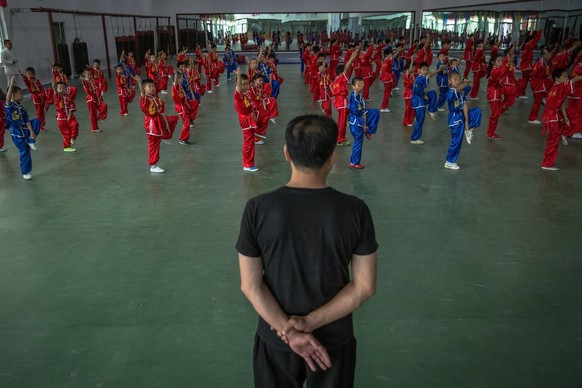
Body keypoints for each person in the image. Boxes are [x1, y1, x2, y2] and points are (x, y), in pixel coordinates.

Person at [236, 114, 378, 388]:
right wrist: (310, 323)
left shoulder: (258, 209)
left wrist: (288, 331)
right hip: (333, 340)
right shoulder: (355, 210)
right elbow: (364, 286)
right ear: (333, 156)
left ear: (286, 152)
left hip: (275, 338)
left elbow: (250, 285)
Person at [134, 75, 178, 173]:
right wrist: (140, 83)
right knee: (153, 144)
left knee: (172, 119)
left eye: (153, 86)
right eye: (149, 87)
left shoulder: (155, 98)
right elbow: (142, 93)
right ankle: (153, 166)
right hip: (151, 123)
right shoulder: (145, 99)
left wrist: (166, 123)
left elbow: (161, 112)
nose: (152, 88)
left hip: (158, 119)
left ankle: (163, 136)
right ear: (144, 89)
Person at [540, 68, 582, 171]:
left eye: (567, 76)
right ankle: (547, 164)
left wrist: (566, 117)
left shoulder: (557, 87)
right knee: (552, 142)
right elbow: (575, 79)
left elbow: (561, 102)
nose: (566, 78)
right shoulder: (560, 87)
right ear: (557, 78)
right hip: (552, 117)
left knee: (553, 140)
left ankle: (560, 134)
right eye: (564, 77)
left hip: (553, 116)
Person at [4, 75, 41, 180]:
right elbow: (7, 99)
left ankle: (31, 141)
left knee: (36, 121)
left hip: (25, 130)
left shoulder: (21, 108)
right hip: (17, 133)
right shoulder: (10, 107)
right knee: (24, 152)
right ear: (13, 95)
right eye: (20, 94)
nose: (22, 95)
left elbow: (28, 121)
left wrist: (33, 134)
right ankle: (25, 172)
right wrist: (11, 85)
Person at [444, 72, 482, 170]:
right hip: (455, 119)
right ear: (449, 81)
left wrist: (467, 123)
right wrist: (464, 83)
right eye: (455, 79)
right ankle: (449, 161)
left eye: (459, 79)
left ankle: (469, 131)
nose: (457, 81)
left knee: (477, 112)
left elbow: (465, 105)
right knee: (456, 141)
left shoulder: (461, 93)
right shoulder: (450, 93)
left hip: (462, 115)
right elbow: (458, 89)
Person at [348, 77, 380, 169]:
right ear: (353, 87)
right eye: (358, 85)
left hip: (361, 120)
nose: (361, 86)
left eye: (362, 84)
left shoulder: (361, 98)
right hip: (355, 122)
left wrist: (365, 125)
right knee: (358, 142)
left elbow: (365, 112)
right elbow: (355, 96)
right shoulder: (353, 95)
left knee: (375, 112)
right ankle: (354, 162)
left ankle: (369, 131)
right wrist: (363, 124)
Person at [330, 47, 359, 146]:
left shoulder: (335, 80)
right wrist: (351, 58)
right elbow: (346, 68)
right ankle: (340, 139)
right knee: (342, 122)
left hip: (339, 101)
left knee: (344, 118)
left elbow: (331, 88)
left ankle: (341, 135)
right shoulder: (342, 78)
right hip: (342, 102)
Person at [233, 67, 258, 172]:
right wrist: (238, 76)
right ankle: (247, 165)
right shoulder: (238, 96)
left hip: (249, 117)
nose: (246, 86)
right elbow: (238, 87)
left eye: (247, 84)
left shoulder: (246, 93)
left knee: (251, 141)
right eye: (243, 85)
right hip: (245, 120)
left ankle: (250, 163)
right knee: (248, 142)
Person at [410, 62, 442, 144]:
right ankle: (414, 139)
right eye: (423, 70)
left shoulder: (421, 78)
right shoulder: (420, 78)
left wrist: (424, 94)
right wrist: (439, 70)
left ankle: (431, 110)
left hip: (420, 97)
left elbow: (419, 89)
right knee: (420, 120)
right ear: (419, 70)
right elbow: (430, 75)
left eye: (427, 70)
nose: (425, 71)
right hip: (418, 101)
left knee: (432, 93)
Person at [53, 81, 79, 152]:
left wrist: (70, 115)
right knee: (66, 133)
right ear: (57, 89)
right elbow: (56, 95)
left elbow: (71, 106)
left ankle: (73, 137)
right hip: (61, 118)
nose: (62, 90)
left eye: (63, 88)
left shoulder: (68, 97)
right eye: (60, 88)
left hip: (70, 116)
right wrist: (54, 89)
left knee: (75, 124)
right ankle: (66, 147)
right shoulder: (57, 97)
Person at [81, 68, 108, 132]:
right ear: (85, 76)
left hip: (97, 98)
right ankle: (94, 128)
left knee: (104, 106)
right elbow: (87, 90)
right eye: (88, 74)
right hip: (91, 99)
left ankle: (100, 117)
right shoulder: (85, 82)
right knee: (93, 114)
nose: (90, 75)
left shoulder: (93, 81)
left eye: (90, 74)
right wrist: (83, 80)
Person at [21, 67, 48, 131]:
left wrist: (43, 95)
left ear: (34, 74)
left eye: (30, 74)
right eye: (28, 74)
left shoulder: (37, 81)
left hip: (41, 97)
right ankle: (39, 126)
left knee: (42, 112)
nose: (29, 75)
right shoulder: (29, 82)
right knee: (39, 112)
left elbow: (41, 88)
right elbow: (26, 81)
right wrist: (24, 77)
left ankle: (41, 125)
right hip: (36, 98)